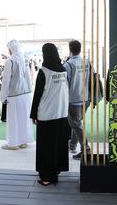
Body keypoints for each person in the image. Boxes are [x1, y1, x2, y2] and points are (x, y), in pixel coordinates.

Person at [30, 43, 69, 186]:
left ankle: (47, 177)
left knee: (46, 147)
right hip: (61, 114)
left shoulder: (44, 71)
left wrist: (33, 114)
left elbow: (37, 95)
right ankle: (55, 171)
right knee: (57, 144)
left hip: (46, 115)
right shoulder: (63, 70)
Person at [0, 40, 33, 150]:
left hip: (14, 95)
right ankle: (23, 141)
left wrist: (3, 96)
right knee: (24, 118)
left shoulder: (10, 61)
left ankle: (13, 143)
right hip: (26, 94)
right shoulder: (25, 58)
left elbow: (6, 80)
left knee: (14, 119)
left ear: (10, 49)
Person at [63, 40, 91, 160]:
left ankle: (86, 149)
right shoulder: (87, 61)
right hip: (86, 98)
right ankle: (72, 146)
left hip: (73, 99)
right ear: (80, 48)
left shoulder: (68, 65)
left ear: (70, 49)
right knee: (77, 123)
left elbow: (65, 84)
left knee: (75, 124)